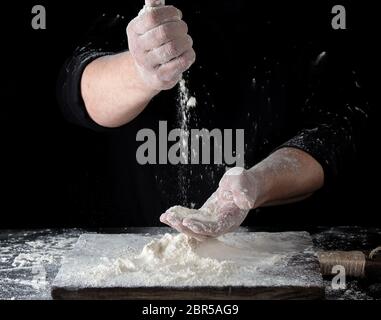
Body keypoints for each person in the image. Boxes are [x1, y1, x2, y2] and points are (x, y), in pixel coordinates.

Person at [58, 0, 367, 240]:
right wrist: (140, 73)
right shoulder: (133, 9)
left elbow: (337, 129)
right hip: (134, 251)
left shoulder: (306, 17)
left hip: (270, 256)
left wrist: (256, 184)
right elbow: (77, 92)